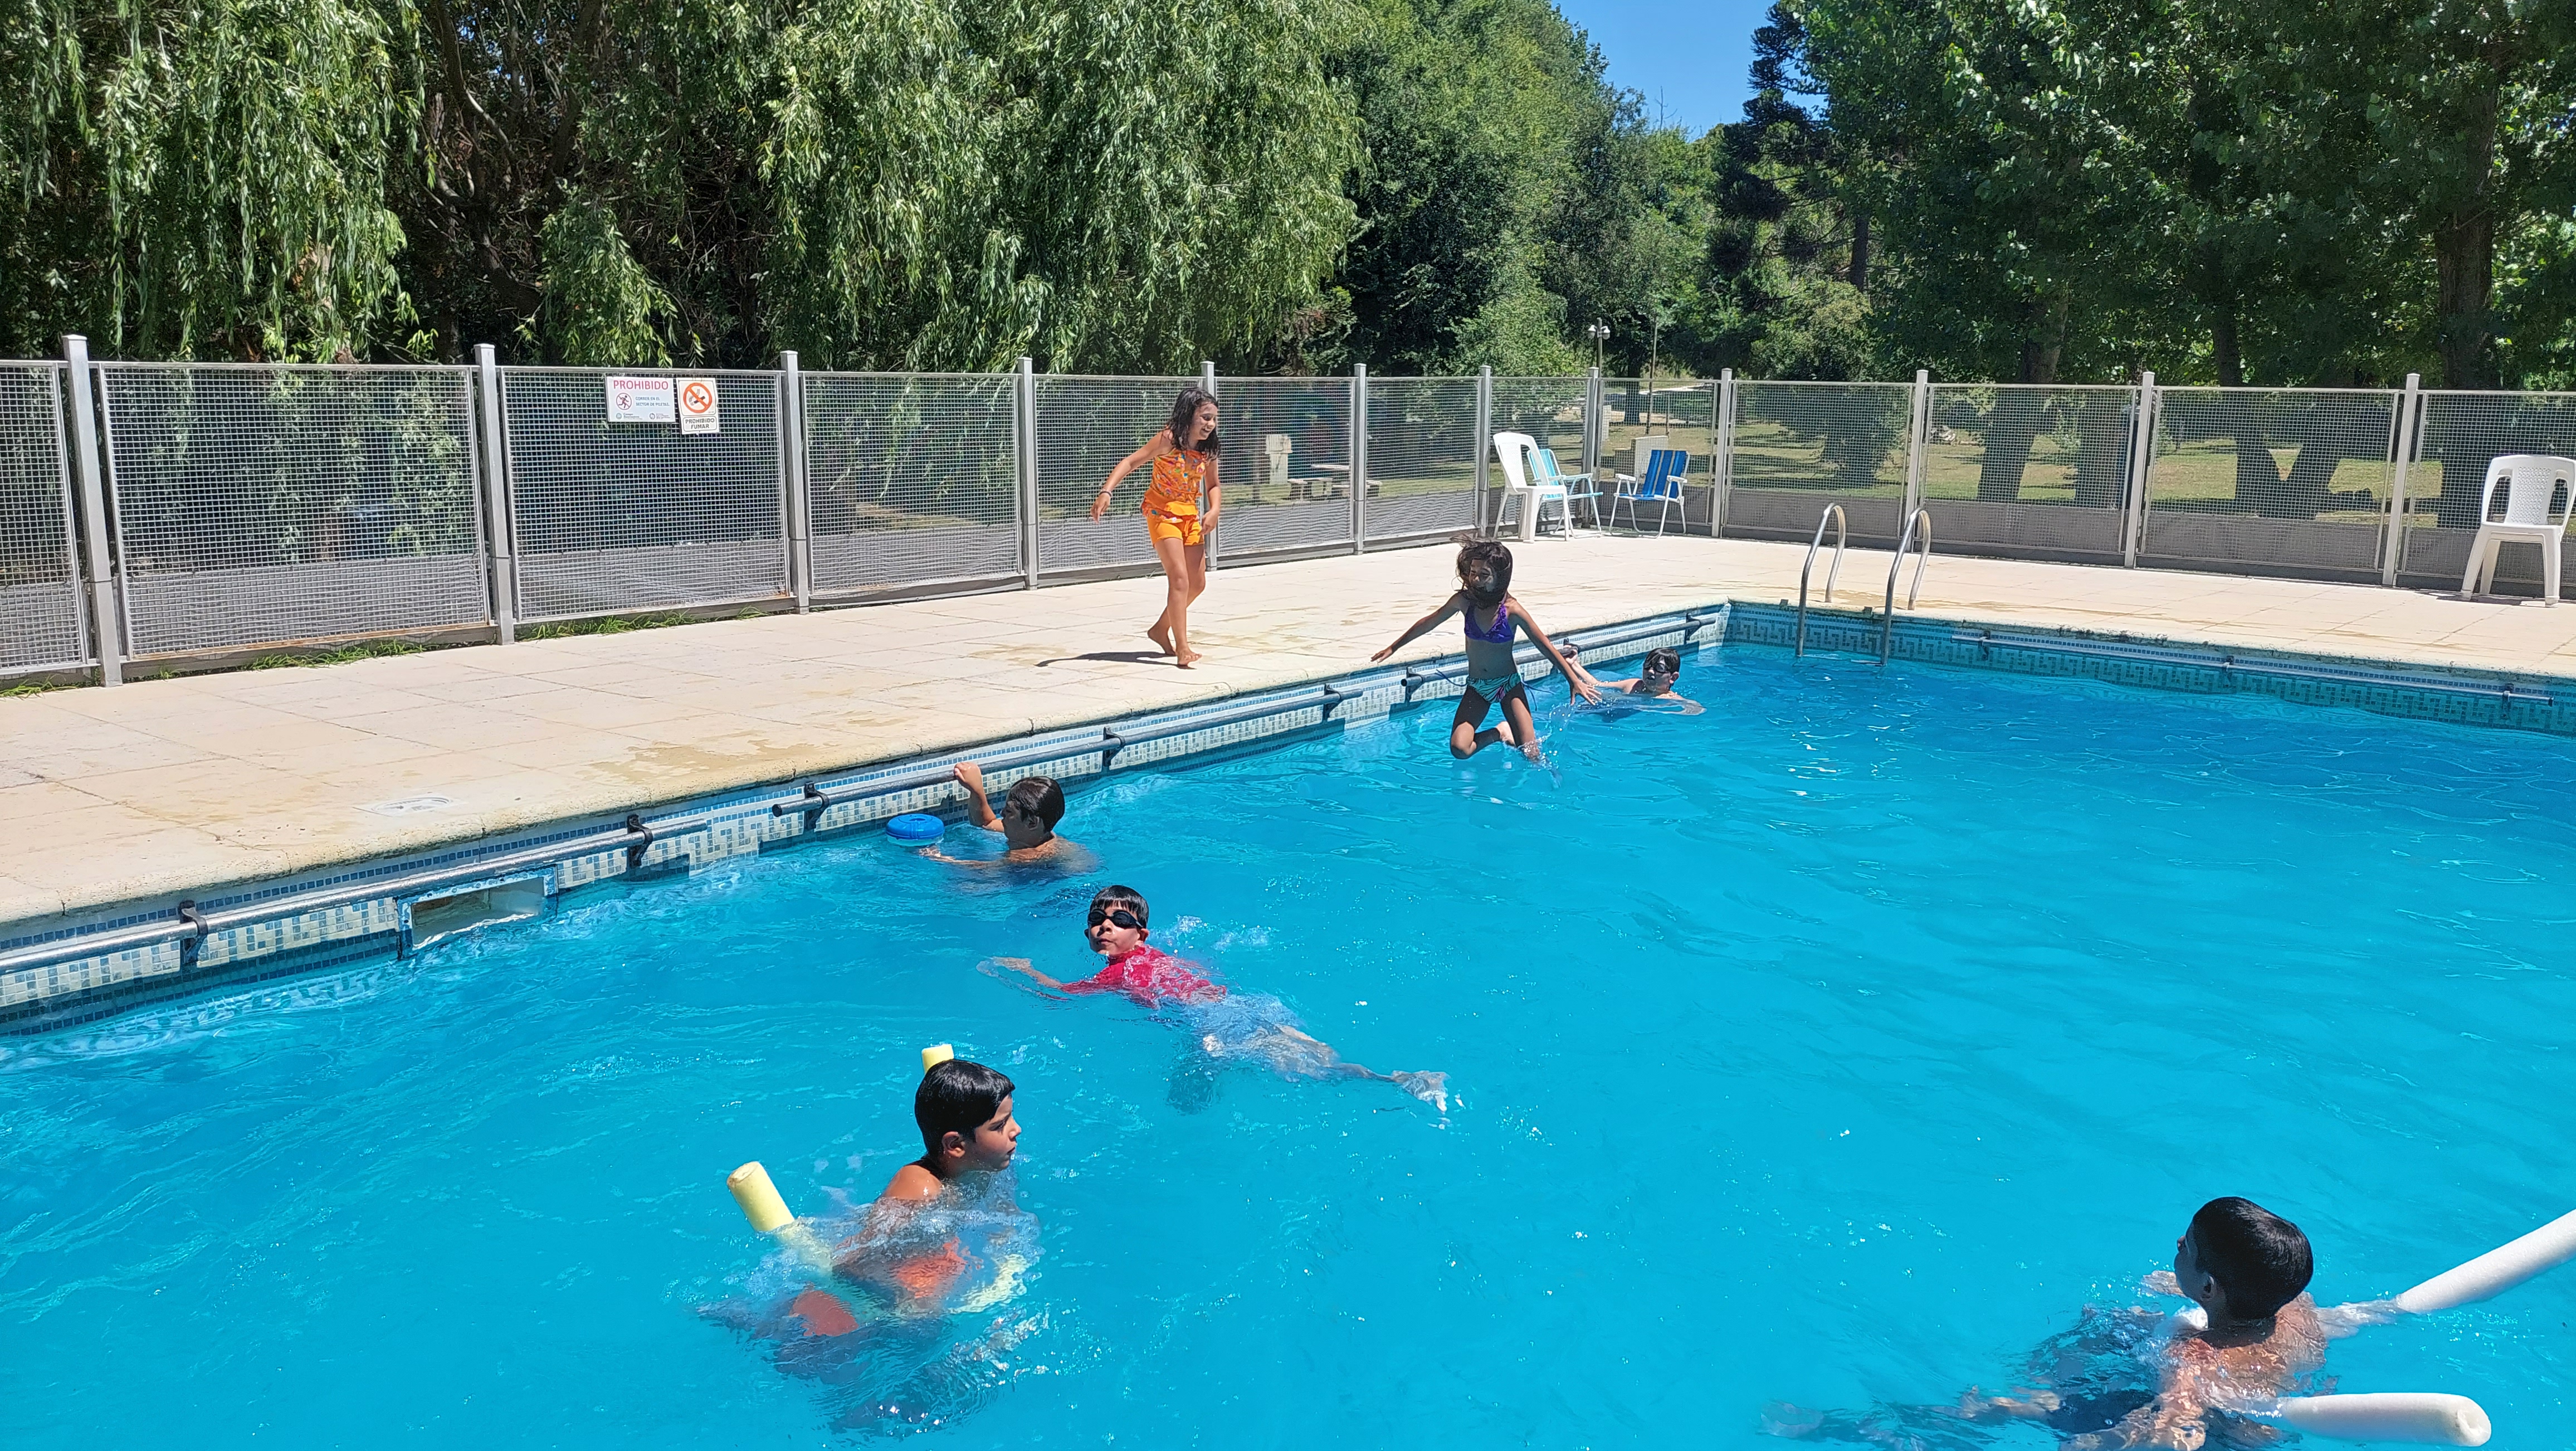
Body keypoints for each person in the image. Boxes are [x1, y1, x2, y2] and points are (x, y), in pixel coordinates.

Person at [1775, 1197, 2325, 1450]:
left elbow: (2179, 1429)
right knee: (2114, 1325)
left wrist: (2100, 1444)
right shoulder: (2298, 1312)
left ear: (2208, 1288)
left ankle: (1857, 1428)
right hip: (2253, 1426)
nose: (2178, 1243)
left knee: (2005, 1406)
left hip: (2198, 1433)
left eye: (2189, 1245)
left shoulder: (2192, 1355)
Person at [987, 885, 1448, 1112]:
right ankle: (1394, 1077)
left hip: (1211, 1023)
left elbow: (1062, 995)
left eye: (1118, 919)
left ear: (1141, 934)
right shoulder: (1162, 955)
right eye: (1096, 920)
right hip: (1246, 1004)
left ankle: (1397, 1080)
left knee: (1305, 1070)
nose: (1104, 926)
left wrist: (1024, 971)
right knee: (1310, 1052)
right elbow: (1204, 975)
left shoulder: (1119, 972)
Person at [1370, 540, 1599, 759]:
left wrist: (1573, 680)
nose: (1476, 579)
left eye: (1484, 575)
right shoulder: (1464, 601)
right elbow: (1430, 622)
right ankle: (1499, 733)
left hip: (1508, 685)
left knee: (1532, 755)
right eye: (1473, 573)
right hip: (1478, 687)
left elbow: (1545, 647)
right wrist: (1394, 647)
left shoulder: (1512, 611)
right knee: (1460, 749)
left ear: (1500, 578)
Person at [1092, 387, 1222, 668]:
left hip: (1190, 515)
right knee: (1179, 579)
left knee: (1197, 584)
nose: (1210, 425)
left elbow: (1212, 485)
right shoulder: (1168, 440)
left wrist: (1214, 510)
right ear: (1189, 416)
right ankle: (1183, 648)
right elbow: (1130, 462)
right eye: (1205, 418)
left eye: (1214, 419)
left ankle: (1159, 630)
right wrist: (1106, 492)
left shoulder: (1208, 449)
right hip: (1161, 513)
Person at [921, 762, 1094, 870]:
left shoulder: (1030, 855)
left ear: (1032, 823)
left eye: (1009, 811)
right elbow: (986, 822)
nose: (1002, 813)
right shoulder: (1032, 833)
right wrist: (976, 789)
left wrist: (940, 859)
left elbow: (983, 871)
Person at [1571, 645, 1703, 714]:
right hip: (1601, 710)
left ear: (1673, 678)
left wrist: (1657, 710)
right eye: (1647, 666)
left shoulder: (1670, 699)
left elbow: (1698, 709)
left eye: (1659, 668)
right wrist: (1573, 664)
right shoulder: (1633, 684)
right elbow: (1597, 684)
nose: (1651, 672)